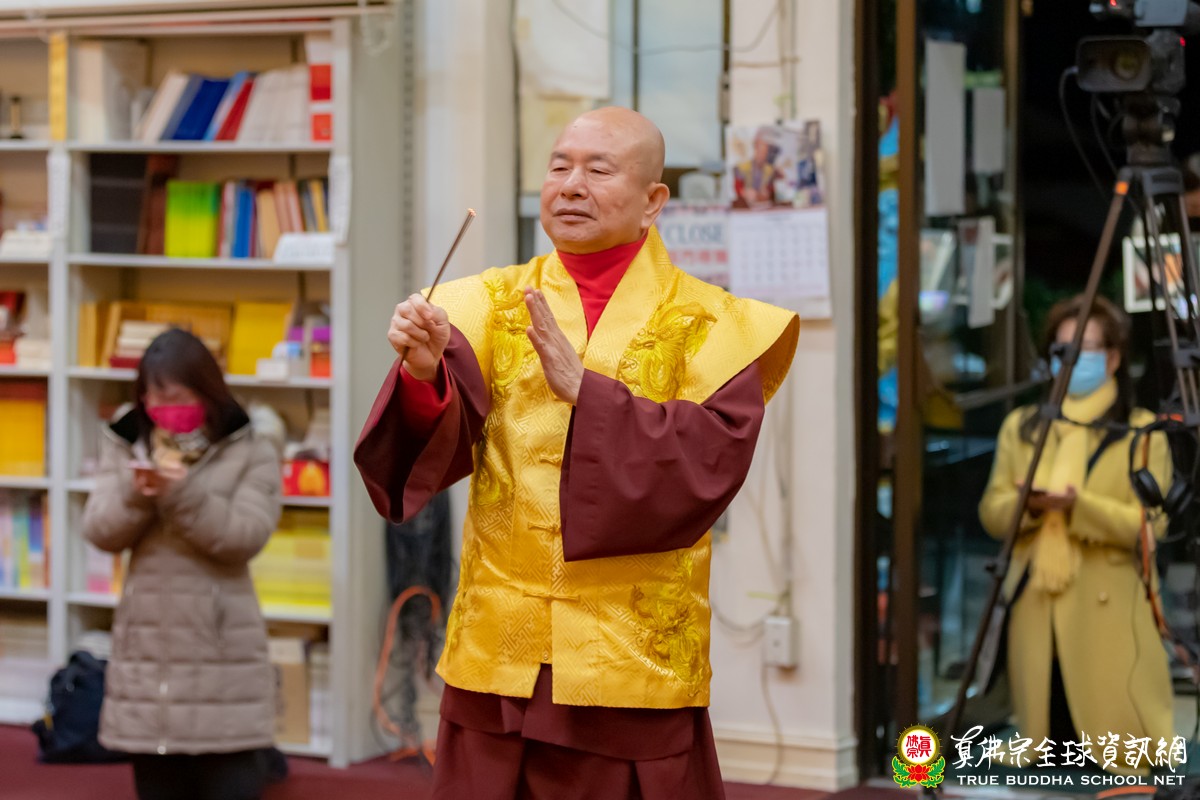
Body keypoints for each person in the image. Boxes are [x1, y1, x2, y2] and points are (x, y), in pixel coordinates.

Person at [355, 107, 799, 799]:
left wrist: (589, 395)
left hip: (629, 653)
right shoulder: (486, 305)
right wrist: (421, 375)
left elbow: (708, 467)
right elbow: (424, 454)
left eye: (599, 169)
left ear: (653, 201)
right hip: (500, 647)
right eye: (559, 165)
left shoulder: (713, 326)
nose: (570, 184)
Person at [82, 328, 283, 800]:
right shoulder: (126, 442)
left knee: (231, 782)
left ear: (206, 391)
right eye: (153, 397)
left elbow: (244, 536)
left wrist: (180, 493)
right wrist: (138, 493)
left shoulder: (251, 446)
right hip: (147, 650)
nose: (163, 408)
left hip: (223, 649)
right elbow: (99, 530)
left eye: (175, 396)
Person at [978, 295, 1174, 773]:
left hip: (1111, 612)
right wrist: (1028, 507)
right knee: (1045, 745)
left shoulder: (1142, 432)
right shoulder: (1023, 427)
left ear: (1113, 358)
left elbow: (1152, 525)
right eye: (1062, 350)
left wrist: (1078, 508)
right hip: (1035, 603)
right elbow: (992, 513)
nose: (1071, 361)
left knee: (1114, 750)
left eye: (1084, 349)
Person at [732, 128, 778, 208]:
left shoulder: (770, 170)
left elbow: (772, 190)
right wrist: (744, 192)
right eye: (760, 149)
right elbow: (737, 187)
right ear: (755, 148)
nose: (762, 154)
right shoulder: (742, 167)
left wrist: (768, 193)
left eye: (765, 150)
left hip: (764, 207)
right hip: (745, 206)